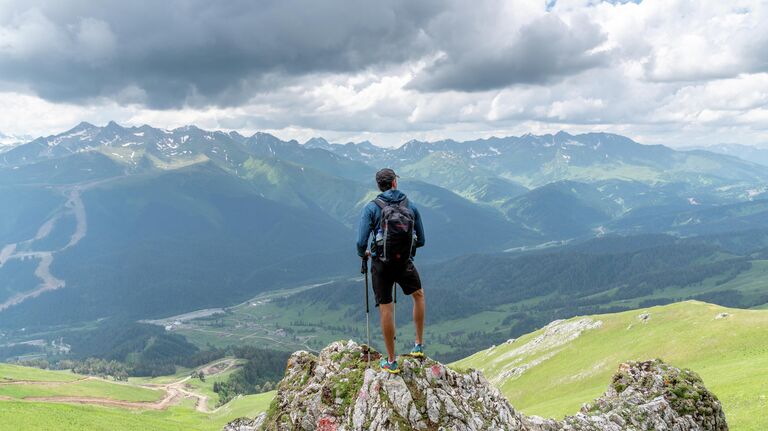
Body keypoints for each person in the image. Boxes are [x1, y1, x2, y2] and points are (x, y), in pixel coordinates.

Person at [357, 168, 426, 374]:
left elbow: (360, 242)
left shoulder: (371, 208)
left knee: (386, 309)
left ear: (380, 186)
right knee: (418, 296)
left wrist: (366, 253)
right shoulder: (410, 206)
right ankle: (418, 345)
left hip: (381, 264)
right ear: (395, 183)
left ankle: (391, 361)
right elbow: (421, 240)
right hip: (405, 263)